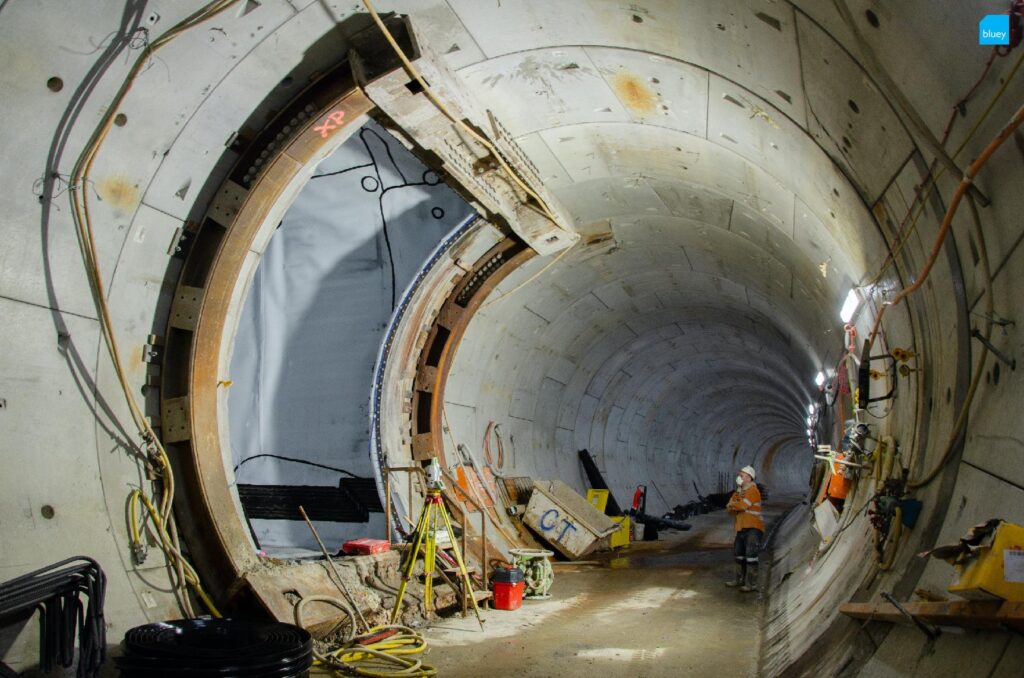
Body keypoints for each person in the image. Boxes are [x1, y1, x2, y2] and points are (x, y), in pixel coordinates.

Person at [724, 465, 764, 592]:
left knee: (751, 555)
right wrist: (733, 505)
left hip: (753, 527)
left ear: (748, 477)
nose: (739, 477)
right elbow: (728, 508)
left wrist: (733, 505)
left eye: (741, 475)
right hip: (741, 527)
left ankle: (751, 584)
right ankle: (739, 580)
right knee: (739, 555)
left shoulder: (753, 491)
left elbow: (741, 506)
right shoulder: (739, 491)